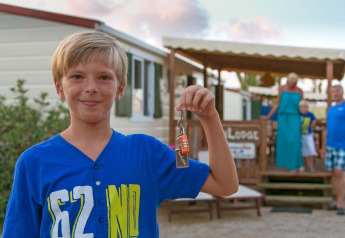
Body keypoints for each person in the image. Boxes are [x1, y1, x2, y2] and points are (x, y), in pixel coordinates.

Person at [2, 31, 238, 237]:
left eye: (104, 77)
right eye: (77, 76)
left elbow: (225, 184)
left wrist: (209, 117)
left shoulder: (148, 153)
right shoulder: (34, 163)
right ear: (59, 87)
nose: (90, 87)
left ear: (120, 88)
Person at [261, 72, 304, 171]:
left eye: (294, 82)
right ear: (288, 81)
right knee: (284, 141)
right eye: (291, 82)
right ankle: (285, 164)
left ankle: (297, 164)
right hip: (283, 118)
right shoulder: (282, 89)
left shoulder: (300, 91)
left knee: (295, 140)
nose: (293, 84)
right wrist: (268, 116)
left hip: (295, 117)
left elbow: (303, 105)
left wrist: (306, 115)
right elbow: (276, 104)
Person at [320, 85, 345, 215]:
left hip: (343, 146)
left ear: (342, 92)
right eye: (332, 92)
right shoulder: (330, 109)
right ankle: (338, 202)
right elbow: (327, 129)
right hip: (330, 146)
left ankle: (341, 204)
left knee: (339, 173)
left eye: (337, 91)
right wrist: (323, 148)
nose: (335, 94)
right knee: (335, 175)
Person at [299, 100, 317, 172]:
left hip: (308, 134)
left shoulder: (310, 114)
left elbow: (314, 120)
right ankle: (303, 166)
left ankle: (311, 165)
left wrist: (313, 123)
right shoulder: (298, 115)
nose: (303, 109)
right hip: (300, 135)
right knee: (303, 151)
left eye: (305, 107)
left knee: (311, 150)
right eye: (301, 107)